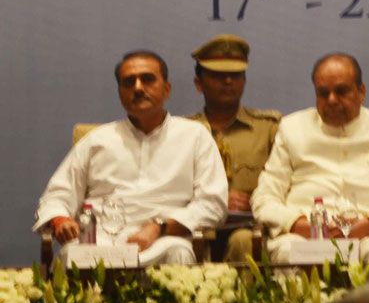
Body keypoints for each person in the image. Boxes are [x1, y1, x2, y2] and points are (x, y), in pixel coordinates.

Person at [33, 50, 227, 264]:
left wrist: (159, 227)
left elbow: (213, 204)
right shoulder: (97, 141)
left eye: (147, 79)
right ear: (120, 93)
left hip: (165, 241)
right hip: (99, 242)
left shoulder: (194, 136)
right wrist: (60, 220)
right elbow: (57, 196)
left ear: (167, 89)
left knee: (179, 254)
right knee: (71, 256)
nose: (138, 87)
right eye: (128, 82)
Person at [251, 53, 369, 263]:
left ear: (361, 92)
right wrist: (296, 224)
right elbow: (263, 198)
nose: (332, 100)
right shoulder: (292, 129)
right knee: (290, 252)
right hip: (304, 236)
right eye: (323, 93)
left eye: (341, 91)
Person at [186, 34, 280, 262]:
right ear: (199, 84)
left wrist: (256, 201)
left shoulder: (268, 128)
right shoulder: (183, 132)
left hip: (250, 226)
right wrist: (217, 202)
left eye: (236, 75)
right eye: (218, 76)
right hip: (195, 226)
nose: (228, 81)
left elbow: (284, 184)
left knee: (243, 240)